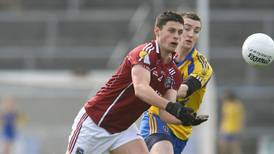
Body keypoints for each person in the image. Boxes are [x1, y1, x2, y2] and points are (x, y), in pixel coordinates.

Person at [66, 11, 195, 154]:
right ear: (157, 31)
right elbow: (140, 89)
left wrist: (184, 118)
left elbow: (165, 114)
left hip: (123, 130)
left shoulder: (174, 74)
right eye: (171, 30)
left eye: (179, 32)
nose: (176, 36)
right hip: (96, 124)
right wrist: (172, 106)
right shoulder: (145, 53)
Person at [139, 11, 213, 154]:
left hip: (181, 129)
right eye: (187, 28)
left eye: (196, 31)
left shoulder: (203, 66)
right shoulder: (159, 56)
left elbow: (184, 89)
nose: (191, 34)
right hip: (157, 118)